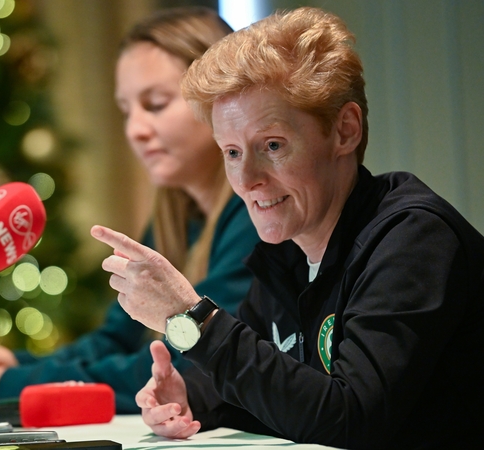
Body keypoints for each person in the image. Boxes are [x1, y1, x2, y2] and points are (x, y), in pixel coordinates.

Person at [91, 6, 484, 448]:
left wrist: (191, 318)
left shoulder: (414, 240)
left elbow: (351, 419)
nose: (246, 180)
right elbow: (280, 389)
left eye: (272, 145)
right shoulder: (289, 253)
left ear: (345, 130)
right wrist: (192, 397)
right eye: (233, 152)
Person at [0, 7, 260, 414]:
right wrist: (15, 363)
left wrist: (8, 385)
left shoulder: (256, 216)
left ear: (220, 100)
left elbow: (180, 365)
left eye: (154, 104)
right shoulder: (176, 216)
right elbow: (114, 338)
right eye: (126, 111)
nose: (135, 129)